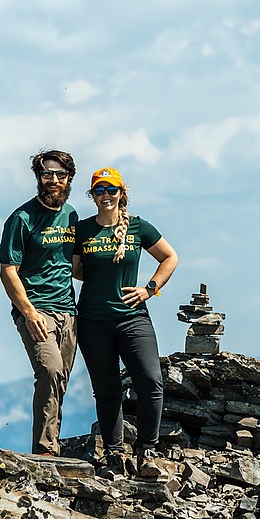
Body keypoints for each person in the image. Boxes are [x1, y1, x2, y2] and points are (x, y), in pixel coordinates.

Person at [73, 167, 178, 478]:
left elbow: (169, 257)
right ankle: (115, 455)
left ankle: (147, 451)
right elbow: (77, 270)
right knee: (106, 391)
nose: (106, 195)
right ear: (92, 196)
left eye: (111, 190)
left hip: (133, 319)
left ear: (122, 193)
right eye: (99, 190)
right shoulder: (82, 230)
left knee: (150, 381)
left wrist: (150, 289)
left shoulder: (138, 227)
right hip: (93, 321)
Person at [0, 149, 79, 456]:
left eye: (60, 175)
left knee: (60, 379)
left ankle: (52, 445)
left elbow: (74, 265)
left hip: (68, 311)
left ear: (69, 178)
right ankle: (44, 449)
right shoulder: (21, 218)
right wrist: (28, 313)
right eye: (47, 174)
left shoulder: (71, 215)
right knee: (50, 369)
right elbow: (8, 271)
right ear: (38, 178)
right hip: (36, 310)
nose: (54, 180)